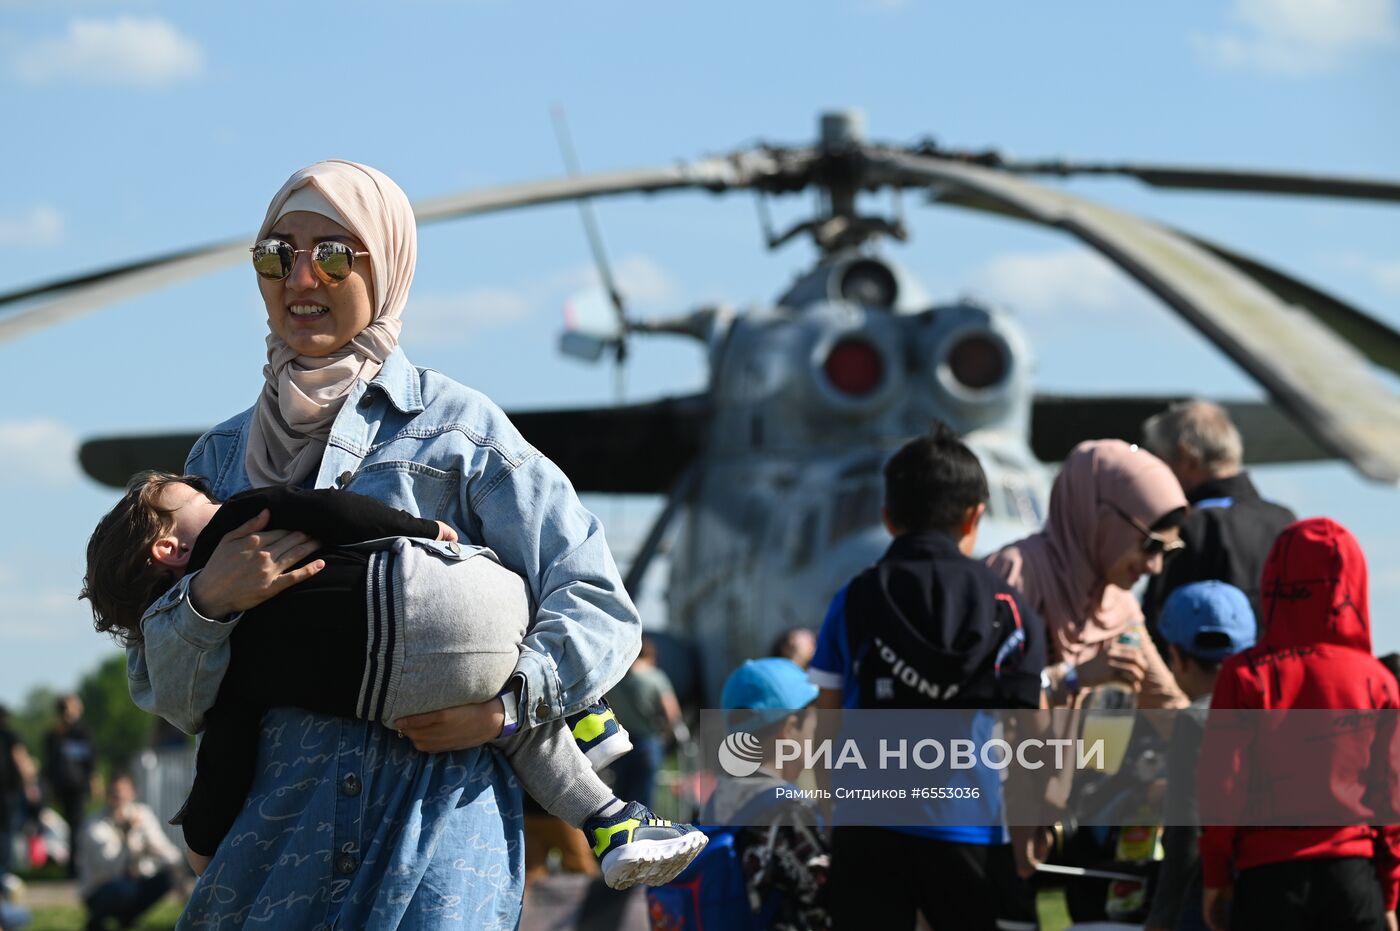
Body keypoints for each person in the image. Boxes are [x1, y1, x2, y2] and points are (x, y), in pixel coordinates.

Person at [126, 160, 645, 928]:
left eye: (334, 253)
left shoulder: (460, 432)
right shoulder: (216, 463)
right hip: (272, 859)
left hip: (432, 855)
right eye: (277, 254)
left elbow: (597, 601)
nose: (301, 276)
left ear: (389, 264)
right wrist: (208, 600)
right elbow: (165, 689)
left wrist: (504, 711)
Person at [82, 473, 704, 888]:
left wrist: (201, 841)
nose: (199, 485)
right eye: (181, 490)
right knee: (518, 585)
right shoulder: (240, 522)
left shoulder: (226, 672)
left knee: (507, 728)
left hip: (398, 700)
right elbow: (331, 509)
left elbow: (226, 756)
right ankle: (586, 718)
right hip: (430, 606)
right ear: (171, 549)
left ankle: (611, 824)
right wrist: (423, 530)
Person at [807, 425, 1048, 931]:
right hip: (972, 829)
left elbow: (827, 721)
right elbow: (1032, 730)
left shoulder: (853, 599)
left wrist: (832, 807)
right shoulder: (1009, 605)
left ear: (888, 518)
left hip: (868, 826)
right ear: (973, 517)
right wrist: (1031, 823)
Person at [1198, 518, 1400, 931]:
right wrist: (1391, 891)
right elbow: (1392, 797)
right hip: (1353, 879)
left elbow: (1222, 790)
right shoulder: (1377, 680)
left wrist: (1215, 878)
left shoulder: (1242, 676)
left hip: (1268, 883)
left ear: (1275, 578)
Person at [987, 439, 1190, 711]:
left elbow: (1167, 706)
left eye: (1169, 551)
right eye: (1150, 545)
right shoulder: (1018, 573)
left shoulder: (1117, 603)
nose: (1155, 567)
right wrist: (1072, 677)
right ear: (1104, 519)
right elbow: (984, 695)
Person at [1142, 581, 1255, 931]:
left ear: (1177, 657)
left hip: (1207, 902)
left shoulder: (1195, 722)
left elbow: (1186, 836)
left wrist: (1161, 918)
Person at [1140, 400, 1297, 650]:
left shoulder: (1192, 525)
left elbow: (1160, 627)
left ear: (1186, 457)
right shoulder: (1286, 520)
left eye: (1160, 464)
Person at [700, 658, 830, 931]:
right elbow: (822, 906)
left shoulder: (718, 798)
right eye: (812, 728)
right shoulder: (789, 809)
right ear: (790, 727)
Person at [77, 772, 183, 931]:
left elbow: (161, 846)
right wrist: (127, 834)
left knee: (166, 877)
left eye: (123, 793)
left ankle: (128, 918)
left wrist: (178, 866)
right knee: (123, 888)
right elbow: (111, 866)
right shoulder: (94, 824)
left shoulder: (142, 814)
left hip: (132, 883)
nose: (119, 798)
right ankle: (96, 921)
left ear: (133, 794)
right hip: (100, 889)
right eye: (115, 794)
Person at [606, 636, 681, 810]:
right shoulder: (656, 677)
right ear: (651, 655)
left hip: (619, 745)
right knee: (643, 804)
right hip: (648, 744)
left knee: (620, 803)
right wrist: (665, 740)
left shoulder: (617, 678)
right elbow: (673, 714)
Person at [41, 694, 94, 879]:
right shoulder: (55, 733)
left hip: (77, 785)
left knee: (78, 826)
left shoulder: (82, 731)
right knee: (70, 826)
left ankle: (77, 866)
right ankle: (72, 867)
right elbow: (50, 761)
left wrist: (92, 780)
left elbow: (90, 758)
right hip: (63, 785)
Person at [0, 707, 38, 876]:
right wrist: (30, 785)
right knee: (7, 831)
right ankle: (4, 870)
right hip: (8, 791)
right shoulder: (10, 737)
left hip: (7, 790)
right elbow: (21, 761)